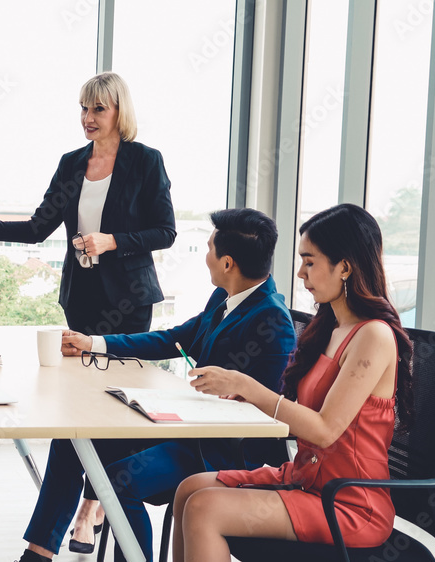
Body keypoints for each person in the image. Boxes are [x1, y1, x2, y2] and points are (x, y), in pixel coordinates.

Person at [15, 208, 297, 562]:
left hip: (220, 452)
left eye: (209, 248)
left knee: (119, 483)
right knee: (72, 440)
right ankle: (38, 554)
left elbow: (266, 415)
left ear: (227, 263)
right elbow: (172, 339)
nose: (205, 256)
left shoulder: (273, 319)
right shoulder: (226, 299)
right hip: (191, 428)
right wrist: (94, 343)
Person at [171, 203, 414, 562]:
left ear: (345, 266)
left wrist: (252, 388)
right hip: (307, 478)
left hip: (349, 503)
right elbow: (302, 413)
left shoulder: (373, 336)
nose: (300, 272)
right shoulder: (329, 328)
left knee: (205, 507)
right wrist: (246, 396)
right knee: (188, 489)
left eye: (310, 261)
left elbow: (326, 430)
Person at [0, 72, 175, 337]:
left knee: (121, 374)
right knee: (80, 375)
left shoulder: (146, 161)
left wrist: (111, 241)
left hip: (130, 299)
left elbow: (165, 232)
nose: (88, 118)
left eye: (98, 109)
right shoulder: (70, 164)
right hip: (81, 296)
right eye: (83, 108)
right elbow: (37, 229)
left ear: (120, 112)